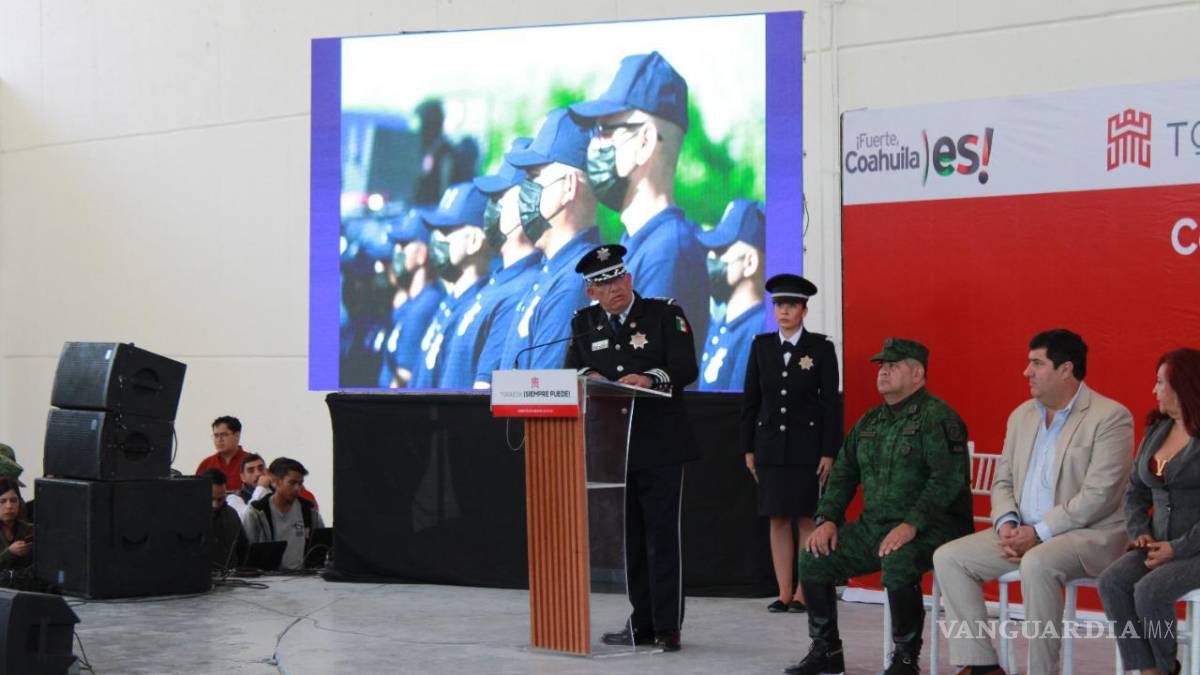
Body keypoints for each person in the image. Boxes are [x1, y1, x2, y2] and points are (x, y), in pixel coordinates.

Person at [933, 329, 1134, 675]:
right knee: (949, 557)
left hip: (1088, 536)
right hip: (1023, 532)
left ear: (1066, 369)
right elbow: (1003, 480)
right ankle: (982, 666)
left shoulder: (1110, 417)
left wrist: (1038, 533)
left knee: (1037, 563)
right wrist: (1008, 523)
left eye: (1036, 363)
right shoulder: (1022, 415)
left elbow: (1099, 496)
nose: (1026, 372)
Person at [790, 338, 972, 675]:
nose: (883, 371)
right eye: (881, 366)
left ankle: (905, 658)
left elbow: (947, 481)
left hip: (936, 527)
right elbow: (843, 473)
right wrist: (827, 519)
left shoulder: (939, 418)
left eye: (893, 365)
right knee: (813, 555)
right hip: (876, 526)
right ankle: (827, 651)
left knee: (899, 558)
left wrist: (911, 524)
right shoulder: (870, 422)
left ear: (917, 374)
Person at [564, 244, 698, 652]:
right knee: (631, 542)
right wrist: (592, 376)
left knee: (662, 537)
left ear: (630, 278)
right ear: (591, 292)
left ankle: (667, 625)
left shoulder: (663, 314)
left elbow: (686, 367)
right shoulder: (584, 323)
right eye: (603, 284)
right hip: (612, 449)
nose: (614, 289)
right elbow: (571, 368)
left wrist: (651, 378)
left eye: (619, 278)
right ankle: (640, 623)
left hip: (659, 444)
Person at [569, 51, 710, 359]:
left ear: (645, 142)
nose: (595, 145)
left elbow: (643, 380)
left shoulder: (669, 252)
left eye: (606, 131)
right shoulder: (637, 244)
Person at [741, 274, 840, 613]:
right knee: (777, 518)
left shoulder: (821, 348)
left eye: (792, 306)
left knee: (805, 518)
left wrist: (829, 450)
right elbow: (750, 402)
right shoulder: (761, 346)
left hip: (806, 448)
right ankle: (784, 593)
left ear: (804, 310)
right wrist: (748, 448)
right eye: (779, 305)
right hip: (769, 445)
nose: (784, 311)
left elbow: (830, 404)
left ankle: (804, 591)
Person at [1099, 348, 1200, 675]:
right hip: (1158, 545)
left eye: (1160, 382)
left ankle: (1164, 667)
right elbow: (1135, 490)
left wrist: (1178, 548)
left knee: (1150, 590)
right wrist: (1139, 531)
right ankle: (1149, 669)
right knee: (1112, 582)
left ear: (1182, 385)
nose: (1153, 390)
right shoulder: (1156, 430)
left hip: (1193, 549)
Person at [498, 109, 601, 370]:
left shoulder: (574, 280)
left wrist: (497, 396)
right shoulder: (552, 271)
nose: (524, 191)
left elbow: (546, 400)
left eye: (534, 177)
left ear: (568, 186)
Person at [469, 138, 545, 388]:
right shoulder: (499, 282)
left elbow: (488, 392)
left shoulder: (525, 285)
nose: (491, 207)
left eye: (500, 197)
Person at [409, 183, 492, 388]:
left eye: (445, 230)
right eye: (435, 231)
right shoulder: (449, 302)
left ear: (474, 240)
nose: (436, 239)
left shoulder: (479, 306)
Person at [699, 199, 767, 390]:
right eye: (711, 250)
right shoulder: (720, 326)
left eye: (722, 250)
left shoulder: (759, 329)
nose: (712, 257)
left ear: (750, 263)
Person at [381, 207, 446, 387]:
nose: (396, 251)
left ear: (422, 253)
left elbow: (404, 377)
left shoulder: (426, 304)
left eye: (403, 244)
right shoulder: (412, 302)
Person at [242, 457, 325, 571]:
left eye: (300, 483)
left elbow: (320, 545)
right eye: (292, 483)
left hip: (303, 578)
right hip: (268, 581)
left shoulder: (309, 511)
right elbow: (246, 551)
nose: (297, 488)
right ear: (275, 481)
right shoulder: (256, 512)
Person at [204, 468, 248, 571]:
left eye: (220, 499)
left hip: (231, 578)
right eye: (211, 499)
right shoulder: (190, 518)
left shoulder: (232, 514)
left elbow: (243, 547)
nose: (215, 505)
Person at [195, 416, 250, 491]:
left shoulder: (251, 462)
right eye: (216, 436)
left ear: (237, 435)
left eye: (224, 435)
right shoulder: (206, 464)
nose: (219, 440)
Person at [0, 477, 32, 572]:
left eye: (13, 501)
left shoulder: (28, 530)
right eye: (2, 501)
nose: (9, 506)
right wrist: (9, 553)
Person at [225, 453, 270, 519]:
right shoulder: (234, 498)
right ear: (243, 477)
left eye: (261, 469)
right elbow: (247, 518)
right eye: (251, 471)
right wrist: (261, 488)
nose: (258, 474)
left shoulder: (275, 492)